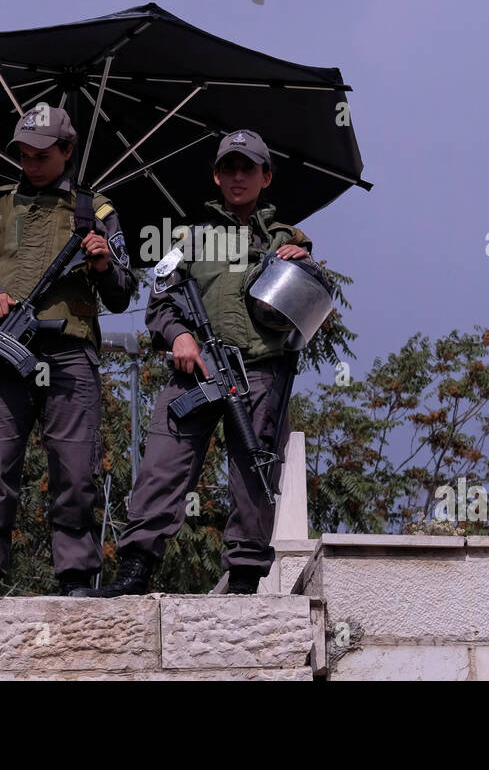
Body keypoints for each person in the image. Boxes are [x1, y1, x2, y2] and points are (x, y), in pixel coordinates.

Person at [78, 129, 313, 597]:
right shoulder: (189, 239)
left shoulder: (290, 241)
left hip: (262, 371)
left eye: (248, 168)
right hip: (196, 368)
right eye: (229, 168)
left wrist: (304, 266)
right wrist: (181, 337)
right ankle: (135, 571)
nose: (238, 176)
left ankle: (245, 577)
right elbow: (159, 303)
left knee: (255, 470)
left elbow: (312, 311)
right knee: (162, 466)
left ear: (266, 177)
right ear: (216, 176)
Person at [0, 104, 137, 596]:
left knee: (75, 471)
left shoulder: (96, 210)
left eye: (41, 154)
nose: (30, 163)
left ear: (67, 151)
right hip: (6, 350)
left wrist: (101, 263)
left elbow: (123, 292)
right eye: (23, 154)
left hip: (70, 355)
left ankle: (76, 577)